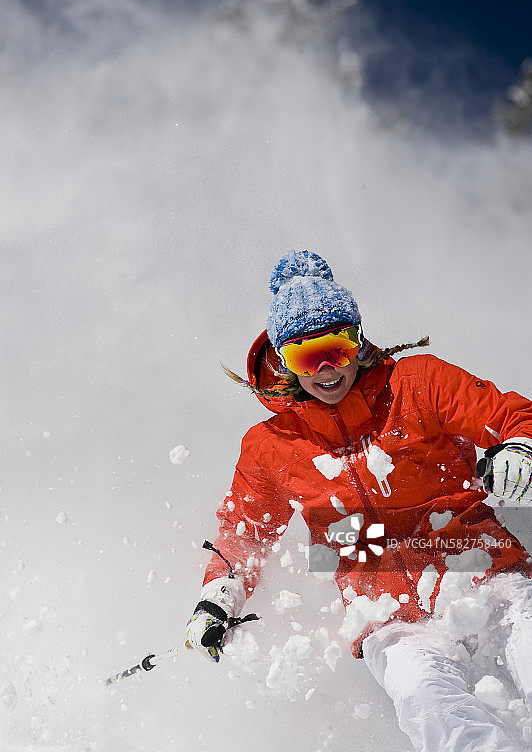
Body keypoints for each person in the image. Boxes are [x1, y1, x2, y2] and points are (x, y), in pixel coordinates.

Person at [186, 250, 532, 752]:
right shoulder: (270, 446)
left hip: (478, 564)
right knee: (432, 707)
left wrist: (520, 450)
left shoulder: (417, 384)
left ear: (358, 343)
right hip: (382, 608)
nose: (327, 370)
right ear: (284, 362)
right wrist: (219, 596)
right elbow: (246, 532)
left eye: (338, 349)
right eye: (308, 356)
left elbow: (513, 415)